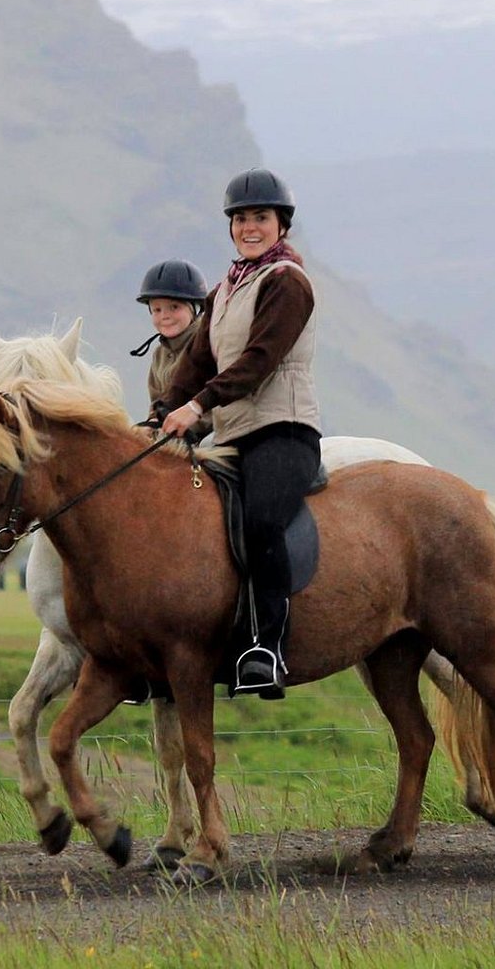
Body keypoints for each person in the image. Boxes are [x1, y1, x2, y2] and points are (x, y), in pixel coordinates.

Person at [158, 169, 321, 699]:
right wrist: (162, 412)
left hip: (284, 430)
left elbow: (258, 361)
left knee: (260, 520)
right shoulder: (226, 288)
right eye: (241, 219)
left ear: (281, 225)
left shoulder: (288, 282)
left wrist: (198, 406)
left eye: (260, 218)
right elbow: (197, 361)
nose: (250, 227)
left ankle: (266, 647)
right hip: (233, 435)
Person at [131, 259, 213, 443]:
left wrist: (182, 427)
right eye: (157, 310)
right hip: (172, 437)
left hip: (211, 435)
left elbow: (218, 402)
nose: (165, 316)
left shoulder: (209, 342)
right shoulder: (159, 355)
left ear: (195, 308)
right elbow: (157, 405)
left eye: (174, 307)